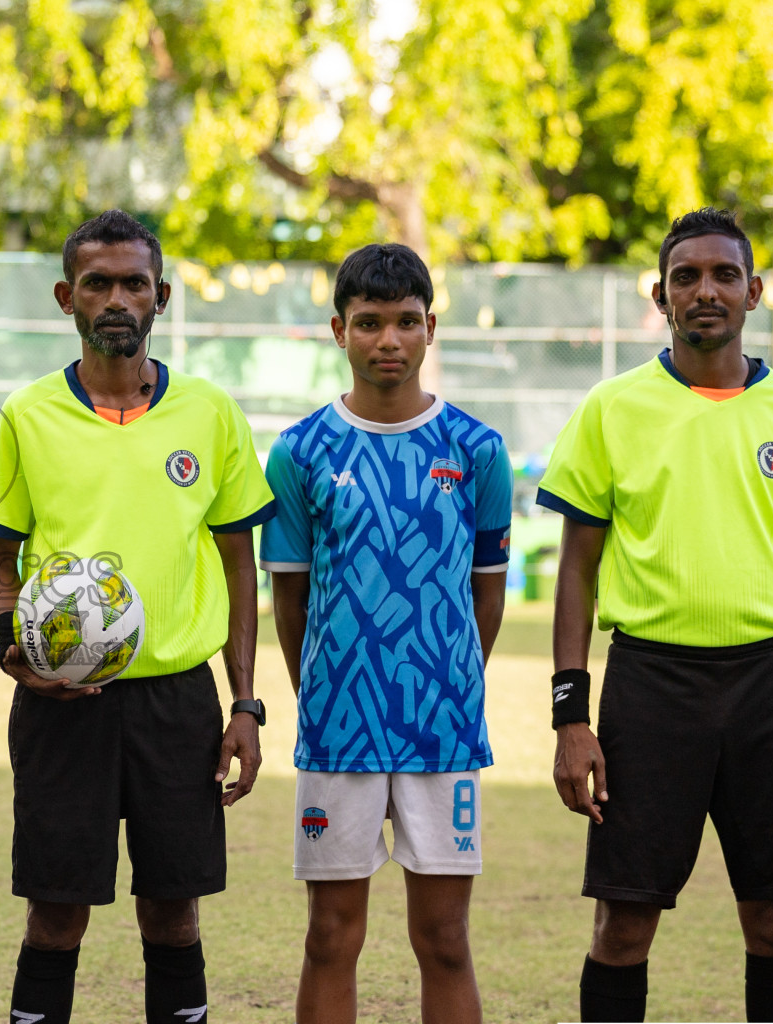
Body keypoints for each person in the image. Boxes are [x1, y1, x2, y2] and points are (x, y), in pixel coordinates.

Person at [538, 207, 773, 1023]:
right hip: (650, 688)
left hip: (771, 686)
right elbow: (575, 571)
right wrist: (569, 715)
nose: (705, 290)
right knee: (623, 922)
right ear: (660, 296)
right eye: (685, 277)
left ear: (754, 292)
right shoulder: (611, 408)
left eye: (723, 274)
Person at [0, 209, 273, 1024]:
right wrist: (13, 651)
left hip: (176, 704)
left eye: (132, 283)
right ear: (66, 296)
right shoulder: (29, 416)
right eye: (97, 282)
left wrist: (244, 703)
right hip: (59, 707)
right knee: (56, 914)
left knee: (173, 913)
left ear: (161, 296)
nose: (115, 298)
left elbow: (238, 564)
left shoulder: (208, 415)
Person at [262, 243, 509, 1024]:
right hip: (339, 732)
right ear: (338, 330)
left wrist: (448, 681)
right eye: (368, 323)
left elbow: (485, 597)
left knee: (443, 939)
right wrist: (327, 696)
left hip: (442, 731)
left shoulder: (476, 450)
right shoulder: (300, 452)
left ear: (430, 327)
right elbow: (290, 600)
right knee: (330, 938)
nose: (388, 341)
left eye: (406, 322)